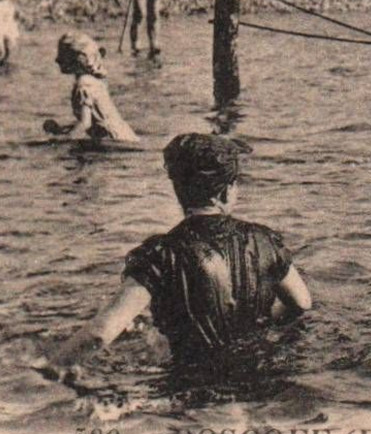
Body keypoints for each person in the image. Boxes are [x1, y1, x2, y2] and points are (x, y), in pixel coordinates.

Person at [47, 133, 311, 369]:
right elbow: (301, 303)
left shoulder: (160, 254)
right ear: (227, 191)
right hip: (259, 378)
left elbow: (101, 333)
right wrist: (259, 323)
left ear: (178, 190)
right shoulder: (263, 240)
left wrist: (49, 370)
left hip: (188, 384)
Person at [42, 33, 137, 144]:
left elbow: (85, 124)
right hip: (123, 136)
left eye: (62, 55)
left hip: (115, 141)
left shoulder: (83, 85)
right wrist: (63, 129)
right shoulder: (92, 80)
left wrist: (61, 141)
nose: (57, 60)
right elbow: (94, 121)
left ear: (77, 58)